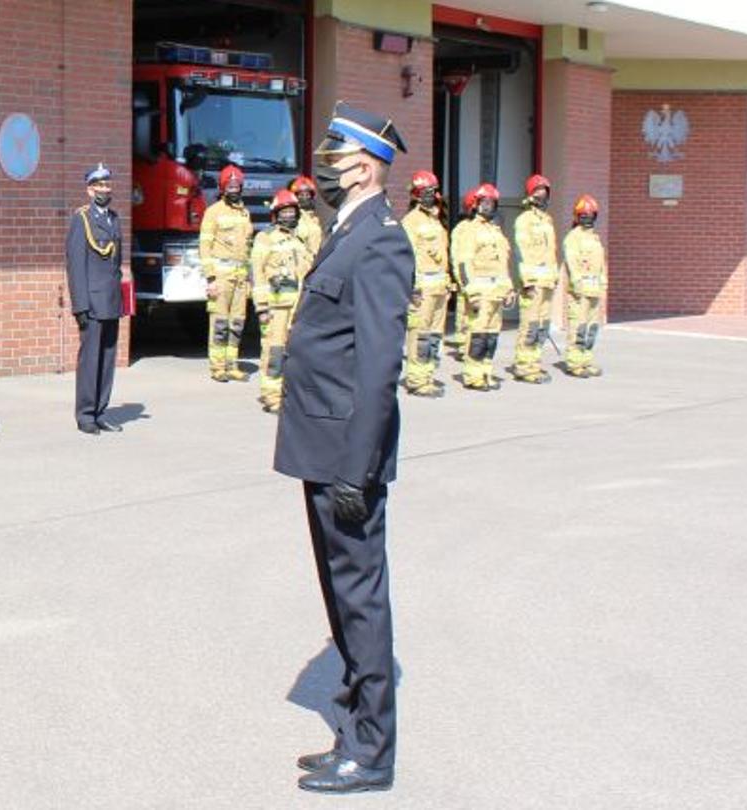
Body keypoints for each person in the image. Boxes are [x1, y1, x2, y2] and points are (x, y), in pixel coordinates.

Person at [274, 101, 413, 795]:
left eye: (333, 156)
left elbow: (379, 368)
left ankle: (374, 750)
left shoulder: (382, 240)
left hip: (345, 457)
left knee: (361, 601)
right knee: (341, 597)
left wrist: (358, 469)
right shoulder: (347, 230)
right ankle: (351, 727)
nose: (322, 167)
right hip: (321, 446)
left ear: (362, 166)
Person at [67, 163, 126, 434]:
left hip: (111, 301)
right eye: (99, 186)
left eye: (107, 185)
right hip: (91, 302)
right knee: (90, 360)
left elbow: (117, 264)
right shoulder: (82, 219)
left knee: (107, 358)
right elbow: (76, 265)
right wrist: (80, 305)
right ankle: (86, 415)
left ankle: (101, 410)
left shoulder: (114, 219)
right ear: (89, 190)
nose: (104, 189)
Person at [250, 190, 313, 414]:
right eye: (284, 212)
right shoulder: (265, 238)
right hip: (275, 309)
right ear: (276, 215)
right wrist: (262, 308)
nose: (289, 216)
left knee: (294, 353)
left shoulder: (299, 241)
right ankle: (272, 396)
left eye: (292, 212)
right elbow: (257, 273)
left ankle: (289, 394)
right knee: (274, 352)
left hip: (297, 308)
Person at [450, 183, 514, 392]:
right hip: (480, 294)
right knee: (477, 337)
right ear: (475, 205)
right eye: (484, 202)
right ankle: (474, 375)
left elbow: (502, 265)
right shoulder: (470, 230)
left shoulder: (496, 232)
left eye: (491, 202)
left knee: (491, 338)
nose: (488, 206)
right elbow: (463, 264)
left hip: (496, 294)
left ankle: (486, 372)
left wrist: (509, 290)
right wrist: (471, 293)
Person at [399, 170, 452, 397]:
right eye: (424, 192)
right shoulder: (410, 222)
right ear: (415, 195)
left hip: (440, 287)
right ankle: (417, 380)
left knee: (434, 336)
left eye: (432, 191)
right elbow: (406, 257)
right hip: (422, 289)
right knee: (420, 334)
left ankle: (428, 374)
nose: (429, 195)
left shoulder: (437, 220)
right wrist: (412, 287)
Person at [200, 165, 253, 382]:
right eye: (229, 186)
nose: (233, 189)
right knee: (220, 323)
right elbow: (205, 247)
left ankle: (232, 365)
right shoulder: (213, 212)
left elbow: (247, 248)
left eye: (237, 186)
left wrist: (250, 278)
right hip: (221, 279)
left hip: (241, 279)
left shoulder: (245, 212)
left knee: (237, 323)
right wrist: (211, 278)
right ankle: (217, 367)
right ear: (222, 188)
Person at [510, 174, 561, 383]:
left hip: (547, 282)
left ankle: (535, 363)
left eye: (545, 192)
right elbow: (521, 252)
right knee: (530, 326)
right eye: (538, 192)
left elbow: (551, 251)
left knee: (542, 326)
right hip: (533, 283)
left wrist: (555, 277)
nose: (542, 196)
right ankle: (524, 366)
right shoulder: (525, 220)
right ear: (530, 195)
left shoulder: (547, 220)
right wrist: (527, 282)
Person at [561, 194, 609, 378]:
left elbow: (600, 264)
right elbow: (572, 263)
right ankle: (574, 363)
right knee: (578, 328)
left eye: (590, 215)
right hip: (579, 292)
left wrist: (603, 283)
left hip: (594, 291)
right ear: (577, 216)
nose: (587, 218)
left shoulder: (595, 238)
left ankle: (586, 360)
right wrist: (578, 283)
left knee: (591, 329)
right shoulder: (573, 237)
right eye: (583, 215)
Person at [289, 175, 325, 255]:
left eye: (307, 195)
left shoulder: (314, 219)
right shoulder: (293, 216)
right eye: (301, 195)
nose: (304, 198)